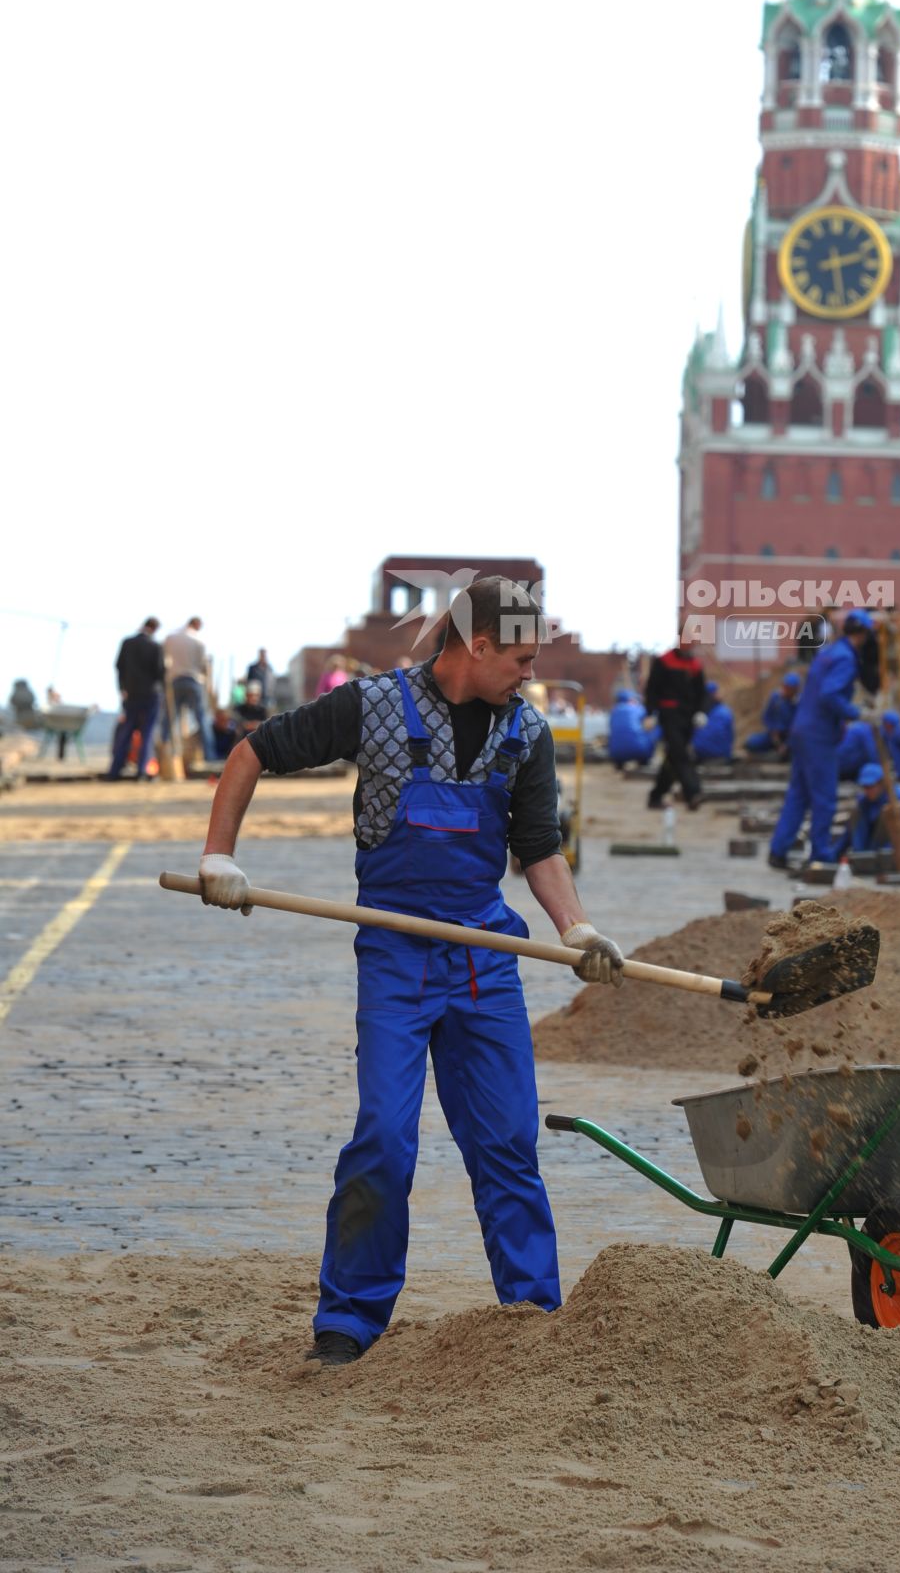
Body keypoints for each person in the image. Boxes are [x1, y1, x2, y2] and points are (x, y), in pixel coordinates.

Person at [196, 576, 622, 1366]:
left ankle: (531, 1316)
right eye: (521, 657)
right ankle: (350, 1318)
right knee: (385, 1139)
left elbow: (537, 850)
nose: (530, 674)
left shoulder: (524, 734)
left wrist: (579, 928)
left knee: (505, 1143)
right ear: (478, 645)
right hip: (395, 958)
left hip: (485, 960)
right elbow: (253, 752)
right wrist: (220, 855)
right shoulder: (373, 707)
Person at [769, 613, 861, 869]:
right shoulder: (844, 658)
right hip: (818, 736)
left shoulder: (828, 653)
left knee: (798, 795)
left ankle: (778, 851)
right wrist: (856, 712)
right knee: (824, 798)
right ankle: (819, 854)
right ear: (863, 635)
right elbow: (830, 694)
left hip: (802, 730)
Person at [644, 640, 708, 810]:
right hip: (669, 715)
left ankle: (656, 796)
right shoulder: (664, 661)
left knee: (673, 758)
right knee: (680, 753)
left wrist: (701, 711)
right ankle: (693, 793)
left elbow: (701, 692)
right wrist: (650, 713)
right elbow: (652, 688)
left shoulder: (694, 665)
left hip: (688, 718)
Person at [106, 619, 165, 781]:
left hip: (130, 694)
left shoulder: (127, 643)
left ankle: (114, 771)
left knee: (126, 732)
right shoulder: (155, 646)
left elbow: (118, 667)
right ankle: (142, 771)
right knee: (147, 733)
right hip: (150, 695)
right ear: (154, 629)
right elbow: (160, 673)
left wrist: (122, 689)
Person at [833, 763, 900, 860]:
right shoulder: (864, 802)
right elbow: (848, 834)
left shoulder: (899, 798)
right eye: (865, 787)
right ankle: (863, 858)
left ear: (881, 783)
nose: (868, 791)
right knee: (856, 812)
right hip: (874, 849)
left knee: (889, 813)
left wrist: (886, 856)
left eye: (871, 786)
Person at [165, 617, 215, 761]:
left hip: (175, 680)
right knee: (203, 719)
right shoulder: (198, 641)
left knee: (170, 720)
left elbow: (166, 660)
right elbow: (203, 666)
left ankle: (169, 756)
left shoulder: (171, 637)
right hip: (194, 680)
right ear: (197, 625)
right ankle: (209, 756)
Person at [745, 671, 801, 755]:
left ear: (795, 689)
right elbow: (766, 717)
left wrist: (787, 744)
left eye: (789, 688)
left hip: (791, 737)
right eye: (784, 686)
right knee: (751, 742)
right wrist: (773, 731)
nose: (785, 690)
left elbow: (799, 727)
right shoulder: (775, 698)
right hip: (774, 736)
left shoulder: (799, 703)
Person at [607, 687, 654, 769]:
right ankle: (643, 762)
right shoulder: (638, 708)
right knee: (652, 734)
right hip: (639, 749)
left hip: (616, 752)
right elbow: (649, 720)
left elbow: (611, 727)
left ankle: (619, 765)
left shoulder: (614, 711)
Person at [694, 682, 735, 761]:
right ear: (714, 694)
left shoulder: (698, 711)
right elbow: (731, 735)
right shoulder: (724, 711)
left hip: (700, 754)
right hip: (721, 754)